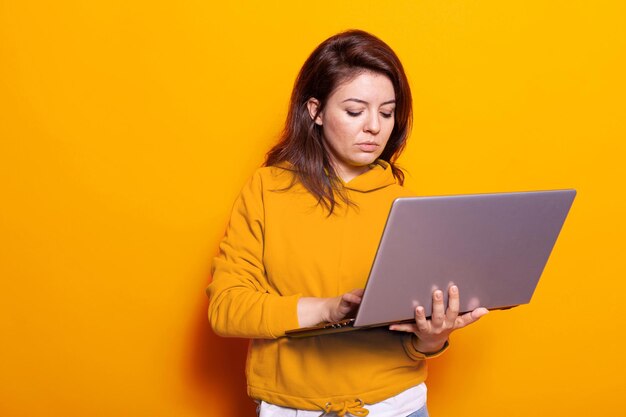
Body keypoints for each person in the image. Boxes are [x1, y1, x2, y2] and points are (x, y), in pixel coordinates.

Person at [206, 29, 488, 417]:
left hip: (397, 406)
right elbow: (226, 307)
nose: (374, 126)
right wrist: (327, 309)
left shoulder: (407, 206)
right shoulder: (266, 189)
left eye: (387, 112)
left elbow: (413, 341)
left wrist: (433, 336)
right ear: (315, 111)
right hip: (289, 408)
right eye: (355, 111)